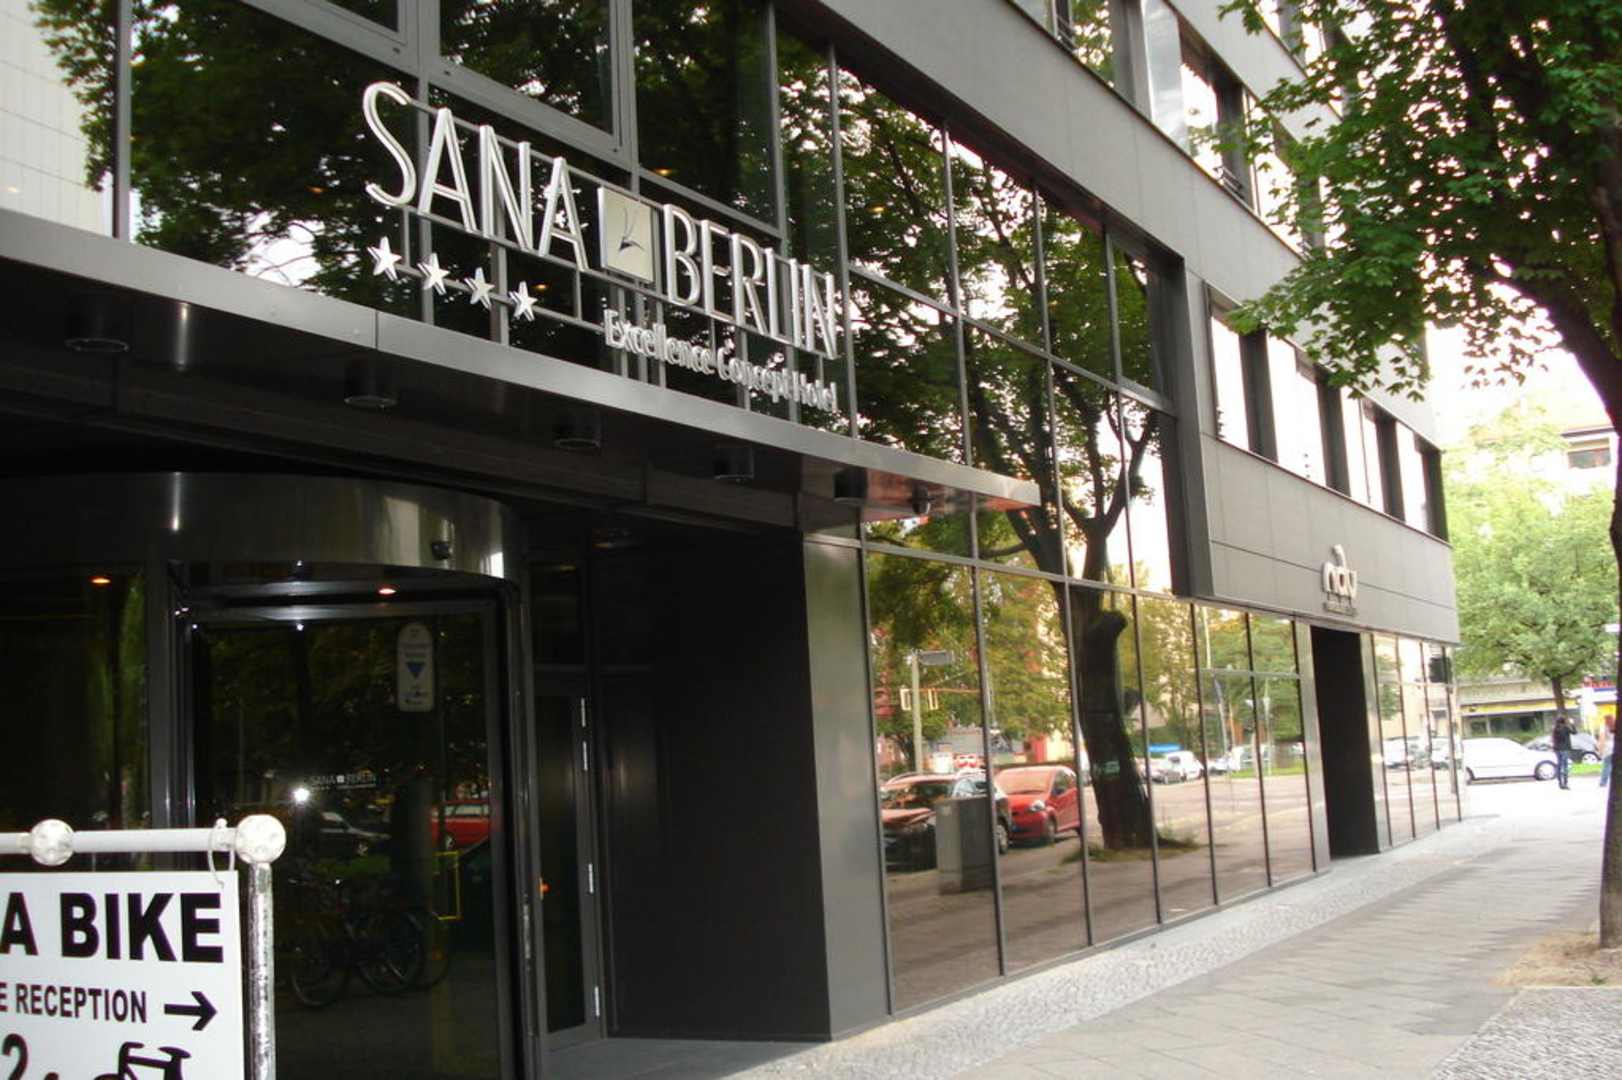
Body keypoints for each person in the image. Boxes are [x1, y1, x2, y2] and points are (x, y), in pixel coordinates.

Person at [1551, 714, 1574, 789]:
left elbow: (1553, 739)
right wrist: (1572, 724)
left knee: (1559, 765)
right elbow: (1574, 732)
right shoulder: (1565, 728)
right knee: (1565, 766)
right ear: (1564, 721)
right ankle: (1565, 783)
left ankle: (1560, 782)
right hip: (1565, 749)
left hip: (1557, 749)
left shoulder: (1555, 729)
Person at [1601, 715, 1615, 788]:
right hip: (1616, 746)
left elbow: (1602, 739)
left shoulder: (1604, 728)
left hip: (1608, 748)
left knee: (1606, 765)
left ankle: (1603, 782)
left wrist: (1601, 750)